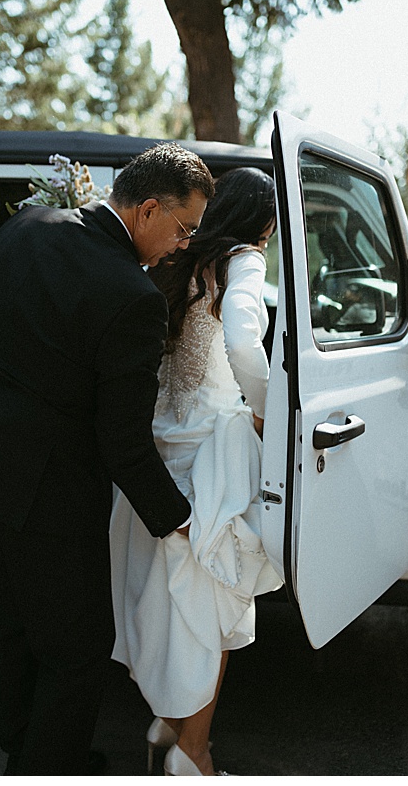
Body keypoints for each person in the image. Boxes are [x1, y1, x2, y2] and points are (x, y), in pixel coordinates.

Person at [0, 142, 210, 774]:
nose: (181, 245)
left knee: (15, 619)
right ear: (147, 209)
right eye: (182, 230)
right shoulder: (133, 296)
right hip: (50, 488)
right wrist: (176, 516)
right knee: (79, 646)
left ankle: (24, 749)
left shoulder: (25, 226)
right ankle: (48, 768)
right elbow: (122, 440)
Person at [108, 166, 285, 776]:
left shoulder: (174, 262)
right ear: (262, 221)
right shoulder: (244, 260)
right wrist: (268, 412)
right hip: (213, 456)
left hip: (159, 452)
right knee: (217, 606)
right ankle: (194, 751)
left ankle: (170, 724)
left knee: (166, 601)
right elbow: (242, 344)